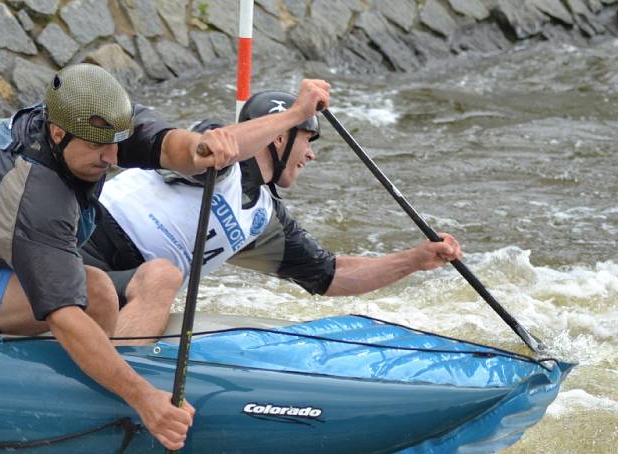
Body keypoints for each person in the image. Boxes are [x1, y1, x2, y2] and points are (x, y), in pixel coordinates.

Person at [0, 64, 330, 451]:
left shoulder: (100, 126)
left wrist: (209, 146)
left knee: (158, 274)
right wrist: (145, 400)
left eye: (119, 143)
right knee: (93, 291)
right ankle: (113, 398)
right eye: (102, 148)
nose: (114, 157)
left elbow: (174, 148)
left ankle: (106, 378)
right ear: (58, 133)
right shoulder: (33, 191)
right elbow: (64, 313)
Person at [84, 87, 463, 345]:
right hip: (81, 247)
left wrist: (413, 260)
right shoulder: (218, 153)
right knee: (163, 276)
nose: (311, 156)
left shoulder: (264, 217)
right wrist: (298, 112)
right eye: (306, 141)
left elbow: (330, 275)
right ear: (279, 139)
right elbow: (207, 148)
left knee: (160, 278)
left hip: (127, 286)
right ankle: (110, 387)